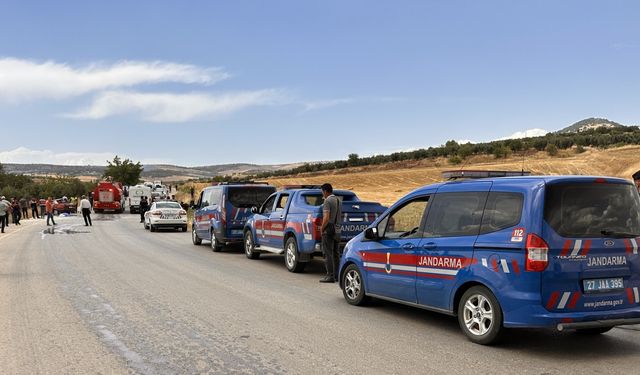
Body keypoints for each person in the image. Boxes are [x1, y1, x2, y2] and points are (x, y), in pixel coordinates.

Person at [319, 183, 342, 283]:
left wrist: (322, 228)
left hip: (329, 228)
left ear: (325, 191)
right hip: (338, 228)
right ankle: (337, 275)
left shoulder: (327, 201)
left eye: (322, 192)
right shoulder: (338, 200)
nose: (322, 194)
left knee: (328, 253)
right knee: (336, 253)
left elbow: (326, 217)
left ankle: (330, 276)